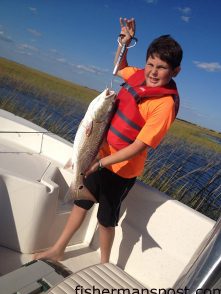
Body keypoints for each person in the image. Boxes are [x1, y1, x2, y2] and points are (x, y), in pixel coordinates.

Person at [34, 17, 183, 263]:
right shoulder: (137, 75)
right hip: (98, 155)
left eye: (162, 67)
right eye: (150, 64)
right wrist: (124, 43)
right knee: (81, 201)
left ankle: (104, 263)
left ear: (175, 71)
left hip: (121, 170)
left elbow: (139, 146)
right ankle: (58, 248)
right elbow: (119, 65)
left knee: (106, 219)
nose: (153, 72)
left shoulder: (164, 105)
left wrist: (101, 164)